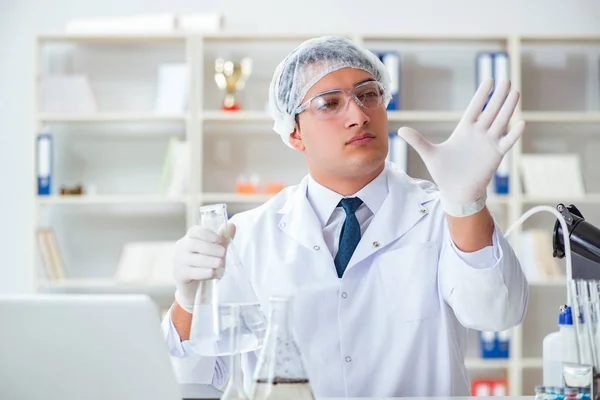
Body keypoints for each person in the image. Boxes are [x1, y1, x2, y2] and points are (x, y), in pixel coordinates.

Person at [162, 36, 529, 397]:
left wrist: (467, 203)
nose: (358, 115)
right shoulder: (246, 236)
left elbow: (497, 313)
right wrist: (189, 300)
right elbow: (196, 377)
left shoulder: (442, 214)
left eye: (368, 94)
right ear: (294, 132)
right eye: (329, 103)